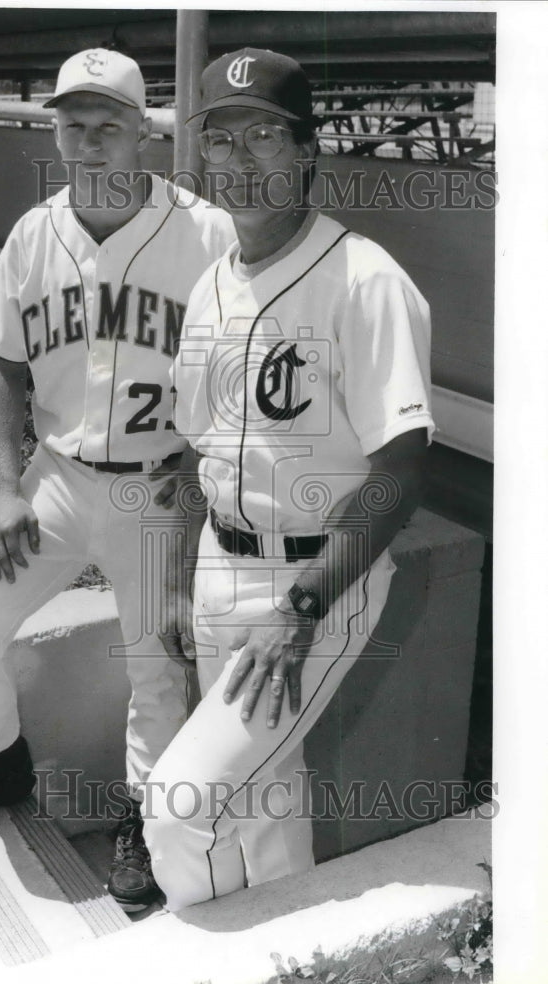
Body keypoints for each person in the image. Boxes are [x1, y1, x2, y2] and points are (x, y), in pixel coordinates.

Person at [0, 48, 235, 912]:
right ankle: (0, 759)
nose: (90, 141)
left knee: (158, 668)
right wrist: (2, 488)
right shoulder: (37, 233)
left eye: (110, 124)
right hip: (56, 478)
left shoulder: (207, 234)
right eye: (73, 124)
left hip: (159, 494)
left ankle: (140, 819)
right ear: (54, 131)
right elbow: (1, 367)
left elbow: (250, 366)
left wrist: (207, 461)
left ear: (147, 131)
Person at [145, 47, 434, 912]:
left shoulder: (366, 280)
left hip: (317, 583)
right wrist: (170, 585)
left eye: (264, 136)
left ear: (307, 149)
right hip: (219, 565)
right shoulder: (207, 289)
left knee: (180, 806)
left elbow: (400, 469)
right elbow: (191, 457)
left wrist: (300, 611)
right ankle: (296, 960)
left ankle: (199, 966)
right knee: (263, 796)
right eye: (222, 141)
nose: (241, 161)